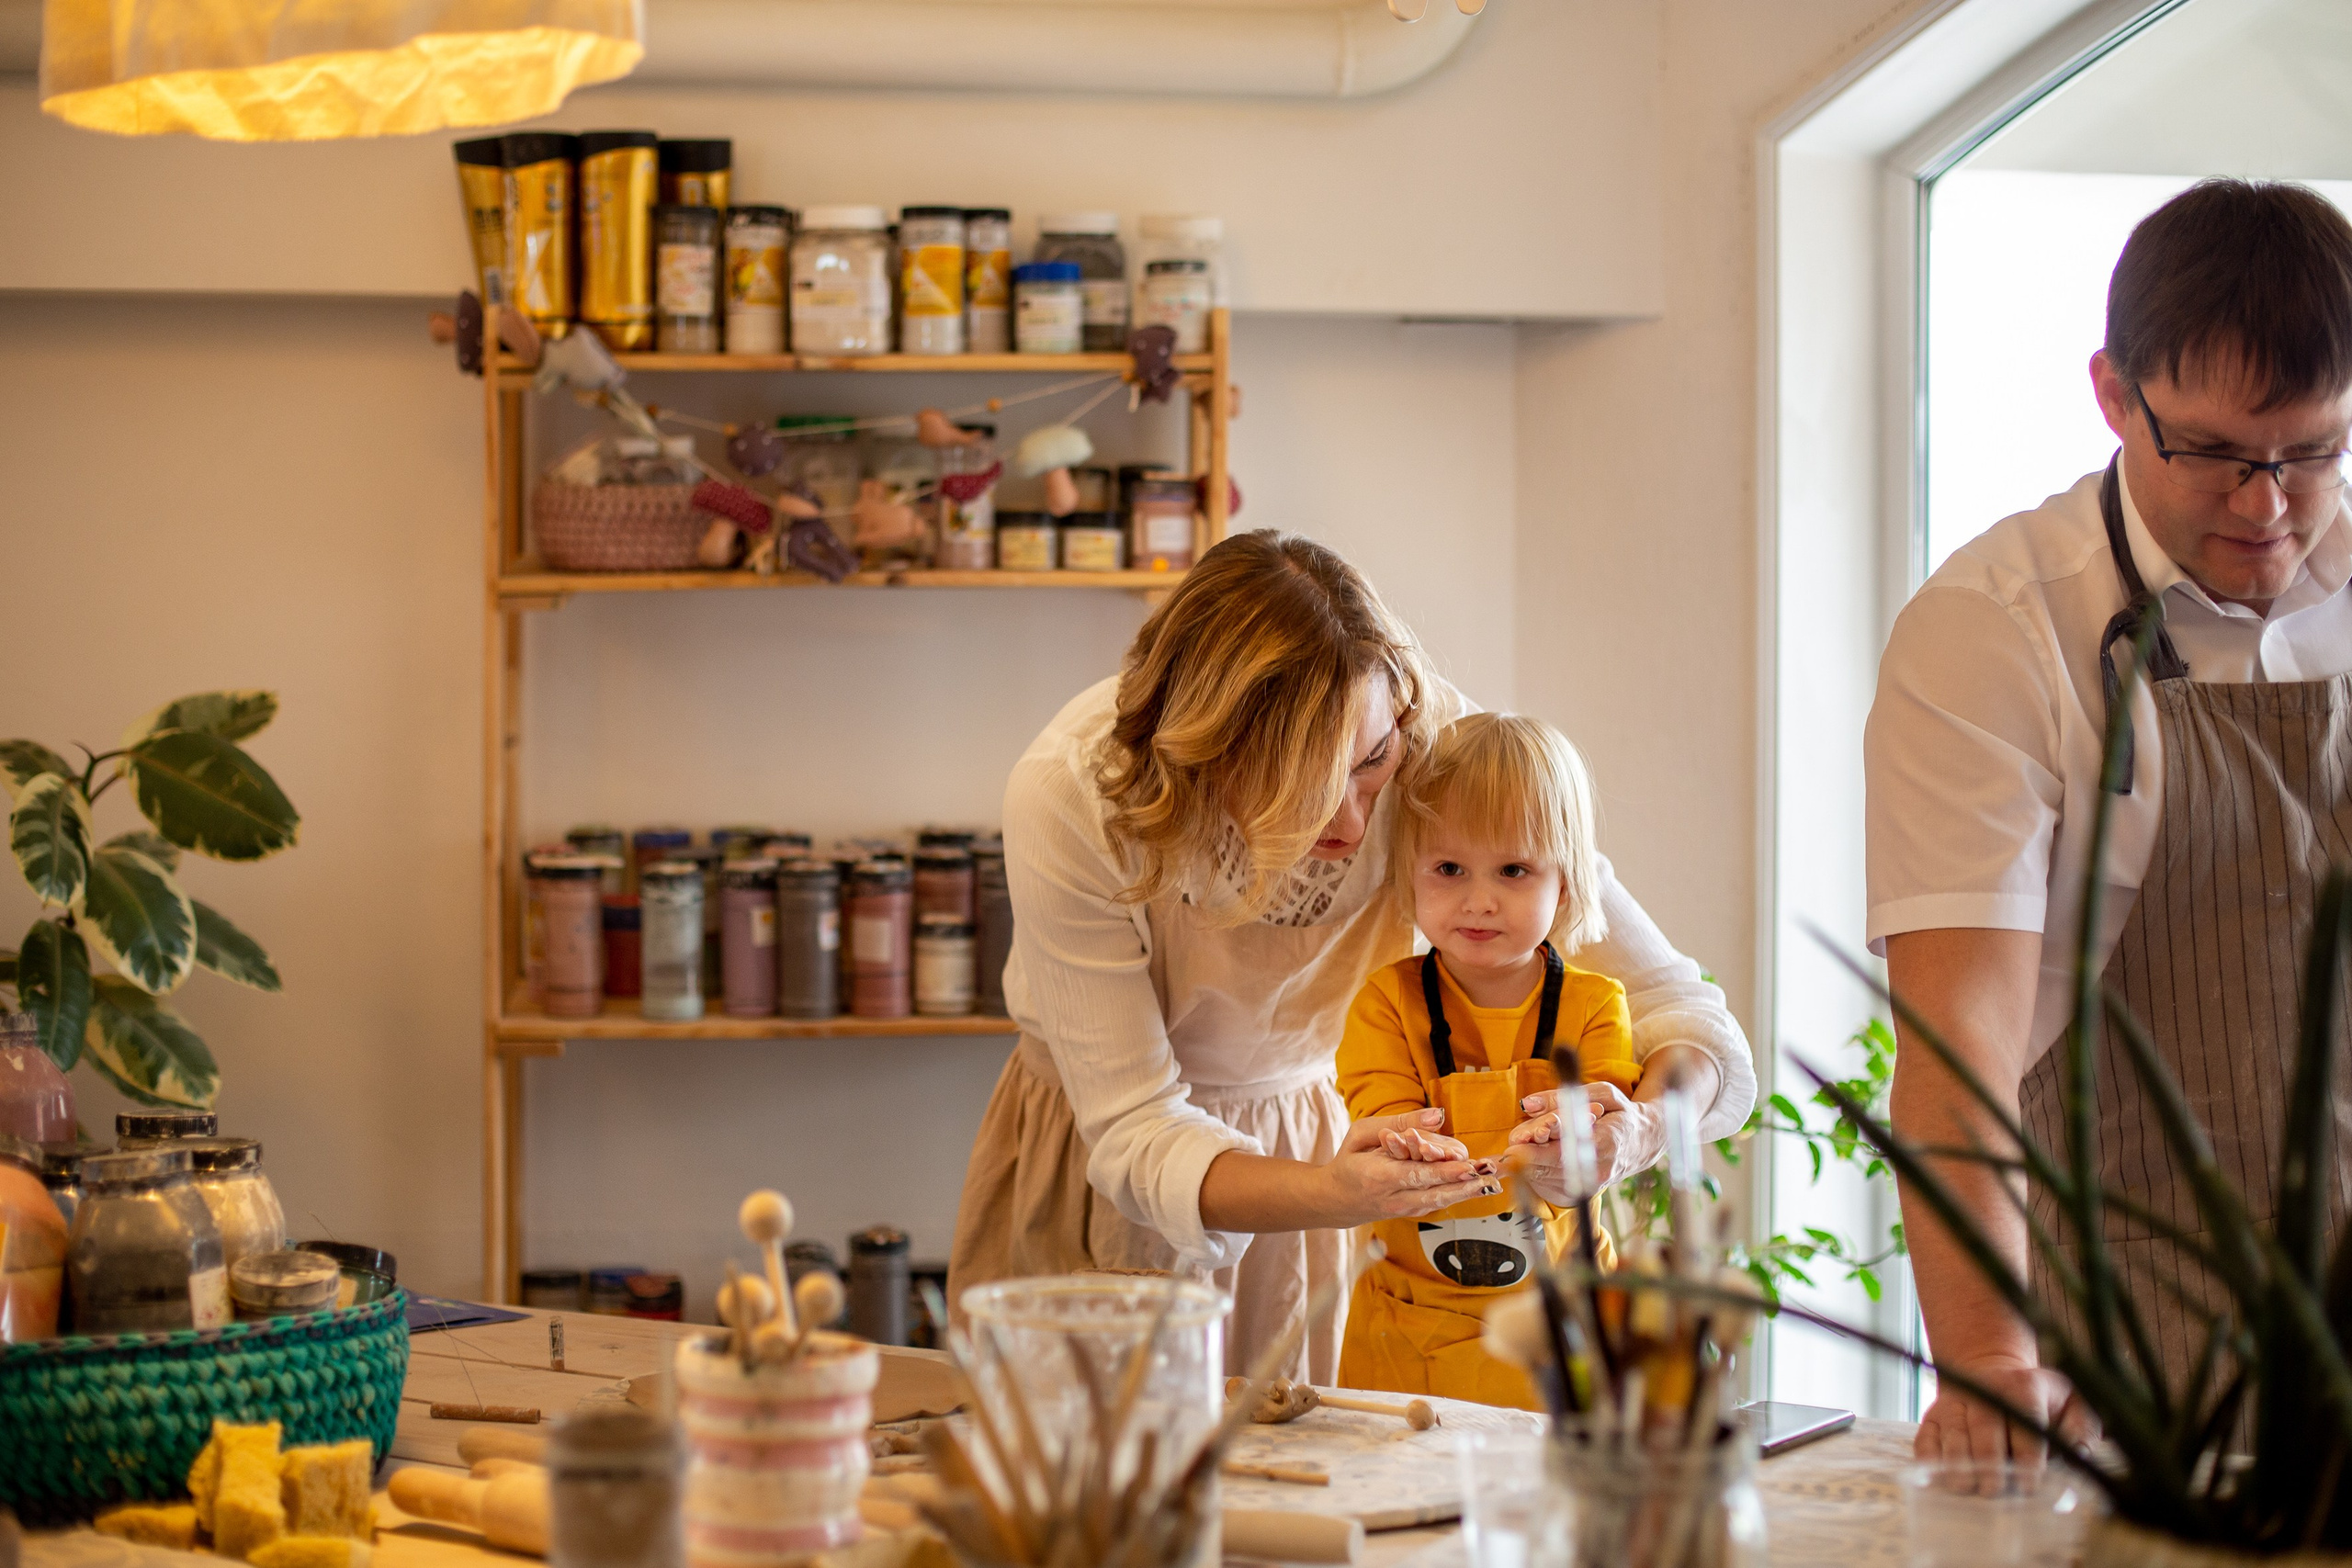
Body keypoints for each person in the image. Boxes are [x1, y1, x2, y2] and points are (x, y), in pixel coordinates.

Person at [949, 530, 1758, 1379]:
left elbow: (1679, 1008)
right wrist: (1329, 1193)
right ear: (1202, 764)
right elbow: (1138, 1129)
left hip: (1327, 1150)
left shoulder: (1427, 734)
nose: (1350, 822)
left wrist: (1635, 1133)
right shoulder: (1076, 791)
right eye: (1297, 791)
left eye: (1370, 763)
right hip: (1104, 1164)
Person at [1865, 180, 2352, 1463]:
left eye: (2311, 452)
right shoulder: (1992, 629)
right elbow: (1957, 1041)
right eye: (2214, 452)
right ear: (2113, 394)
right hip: (2134, 1334)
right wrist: (1990, 1364)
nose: (2268, 506)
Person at [1334, 713, 1637, 1407]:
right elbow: (1382, 1123)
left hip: (1559, 1333)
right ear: (1409, 874)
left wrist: (1570, 1136)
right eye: (1448, 868)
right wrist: (1402, 1140)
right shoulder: (1385, 1002)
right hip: (1407, 1335)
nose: (1478, 899)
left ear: (1566, 879)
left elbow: (1598, 1130)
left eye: (1513, 869)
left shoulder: (1596, 1007)